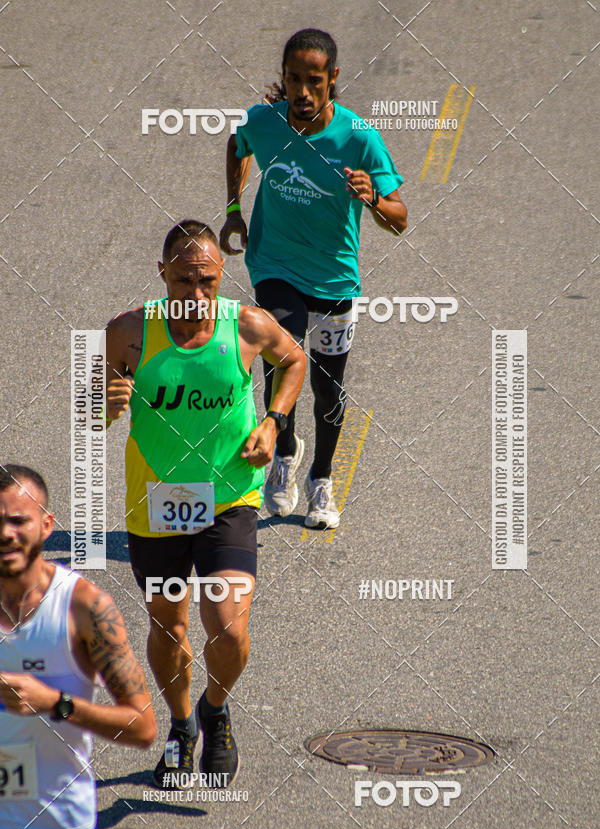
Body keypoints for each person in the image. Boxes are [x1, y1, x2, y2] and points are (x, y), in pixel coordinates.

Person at [105, 220, 305, 788]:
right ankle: (180, 724)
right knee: (168, 628)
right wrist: (106, 401)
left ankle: (215, 711)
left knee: (228, 627)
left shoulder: (245, 325)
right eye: (185, 280)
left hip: (228, 498)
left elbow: (293, 361)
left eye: (208, 282)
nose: (196, 295)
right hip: (159, 502)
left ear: (221, 278)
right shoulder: (129, 332)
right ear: (162, 272)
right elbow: (90, 409)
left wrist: (274, 421)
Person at [220, 27, 408, 529]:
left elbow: (399, 220)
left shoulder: (359, 138)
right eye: (294, 80)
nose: (303, 92)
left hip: (334, 278)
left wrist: (372, 199)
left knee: (328, 388)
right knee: (277, 361)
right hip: (274, 266)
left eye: (314, 81)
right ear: (284, 79)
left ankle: (320, 478)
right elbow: (237, 145)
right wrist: (234, 208)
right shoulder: (264, 122)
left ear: (333, 80)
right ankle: (283, 454)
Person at [0, 464, 156, 829]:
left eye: (19, 521)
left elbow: (142, 727)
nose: (5, 534)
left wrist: (55, 703)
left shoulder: (84, 608)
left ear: (47, 525)